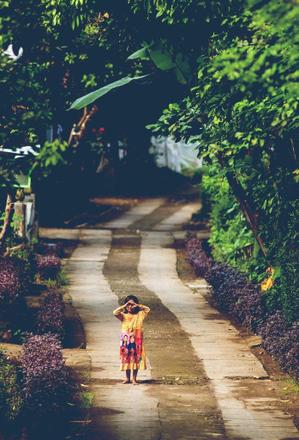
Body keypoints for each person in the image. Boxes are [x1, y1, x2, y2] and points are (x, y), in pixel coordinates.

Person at [113, 295, 150, 384]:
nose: (130, 307)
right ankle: (127, 378)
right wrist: (124, 306)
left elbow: (147, 309)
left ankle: (134, 379)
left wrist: (137, 305)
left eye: (132, 305)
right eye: (128, 305)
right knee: (127, 358)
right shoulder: (123, 315)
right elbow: (115, 312)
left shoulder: (140, 315)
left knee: (136, 358)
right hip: (126, 341)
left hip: (137, 340)